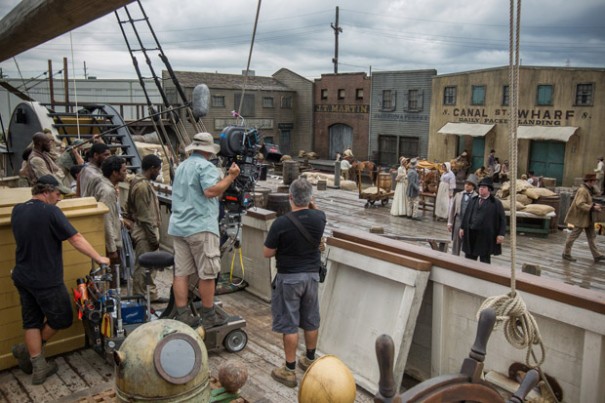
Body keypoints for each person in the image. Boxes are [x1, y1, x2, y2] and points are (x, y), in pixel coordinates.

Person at [10, 175, 109, 385]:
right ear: (46, 191)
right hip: (46, 278)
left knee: (31, 321)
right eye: (58, 193)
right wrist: (99, 257)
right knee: (62, 317)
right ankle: (30, 353)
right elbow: (76, 238)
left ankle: (37, 365)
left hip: (22, 276)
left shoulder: (18, 210)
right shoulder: (51, 211)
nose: (60, 198)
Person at [168, 132, 241, 327]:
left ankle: (183, 314)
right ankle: (209, 315)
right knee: (207, 272)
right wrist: (231, 177)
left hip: (179, 227)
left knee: (181, 273)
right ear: (208, 151)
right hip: (200, 227)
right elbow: (210, 191)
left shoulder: (181, 166)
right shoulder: (205, 166)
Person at [263, 178, 327, 388]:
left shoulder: (281, 223)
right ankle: (309, 358)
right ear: (310, 198)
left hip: (289, 278)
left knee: (289, 324)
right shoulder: (320, 218)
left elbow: (267, 253)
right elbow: (316, 212)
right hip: (311, 277)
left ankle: (289, 370)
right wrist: (312, 204)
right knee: (310, 319)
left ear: (290, 198)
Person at [124, 154, 165, 302]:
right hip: (145, 232)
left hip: (144, 230)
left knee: (149, 266)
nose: (159, 173)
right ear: (152, 168)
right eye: (158, 170)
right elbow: (145, 216)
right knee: (144, 267)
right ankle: (142, 297)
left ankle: (149, 295)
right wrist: (153, 238)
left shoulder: (139, 181)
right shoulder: (142, 186)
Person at [459, 177, 506, 264]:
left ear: (489, 189)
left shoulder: (496, 203)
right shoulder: (473, 200)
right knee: (469, 258)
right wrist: (462, 228)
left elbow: (502, 219)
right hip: (471, 233)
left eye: (484, 187)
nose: (481, 189)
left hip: (486, 236)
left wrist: (501, 234)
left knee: (484, 259)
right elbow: (466, 215)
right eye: (480, 187)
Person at [562, 173, 605, 263]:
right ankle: (566, 253)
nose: (595, 183)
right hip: (581, 217)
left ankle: (596, 255)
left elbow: (588, 201)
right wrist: (593, 207)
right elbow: (580, 203)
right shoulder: (583, 190)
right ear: (590, 181)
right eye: (594, 181)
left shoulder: (588, 190)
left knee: (591, 236)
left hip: (588, 217)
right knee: (573, 236)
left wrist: (595, 205)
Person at [95, 156, 127, 264]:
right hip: (109, 244)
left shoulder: (103, 184)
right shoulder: (108, 192)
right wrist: (112, 248)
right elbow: (106, 220)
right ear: (115, 173)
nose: (126, 173)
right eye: (124, 170)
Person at [448, 174, 478, 256]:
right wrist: (450, 222)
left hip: (469, 223)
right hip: (458, 220)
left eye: (469, 184)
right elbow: (453, 209)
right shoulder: (458, 195)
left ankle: (467, 260)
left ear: (473, 186)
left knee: (468, 242)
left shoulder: (477, 197)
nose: (467, 185)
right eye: (466, 184)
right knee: (456, 241)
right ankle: (454, 257)